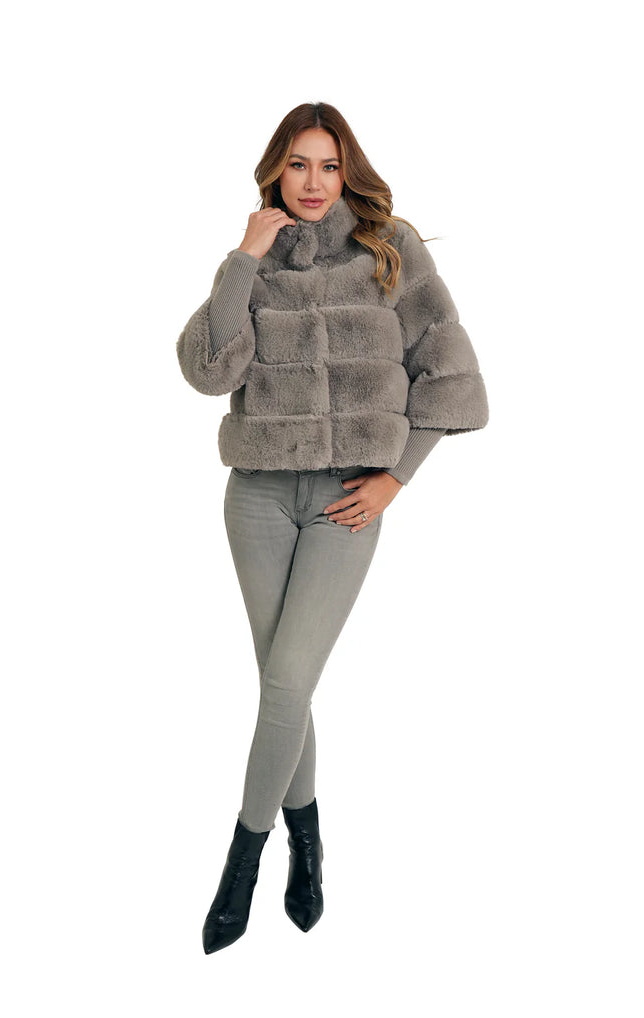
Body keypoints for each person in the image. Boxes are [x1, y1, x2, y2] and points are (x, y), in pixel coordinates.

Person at [175, 102, 489, 954]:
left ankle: (242, 864)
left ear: (347, 171)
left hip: (346, 502)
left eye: (328, 165)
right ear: (274, 171)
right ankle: (308, 843)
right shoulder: (253, 261)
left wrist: (396, 476)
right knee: (286, 684)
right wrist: (243, 259)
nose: (312, 182)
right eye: (297, 164)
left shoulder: (391, 250)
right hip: (256, 498)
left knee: (284, 684)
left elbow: (451, 374)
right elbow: (209, 372)